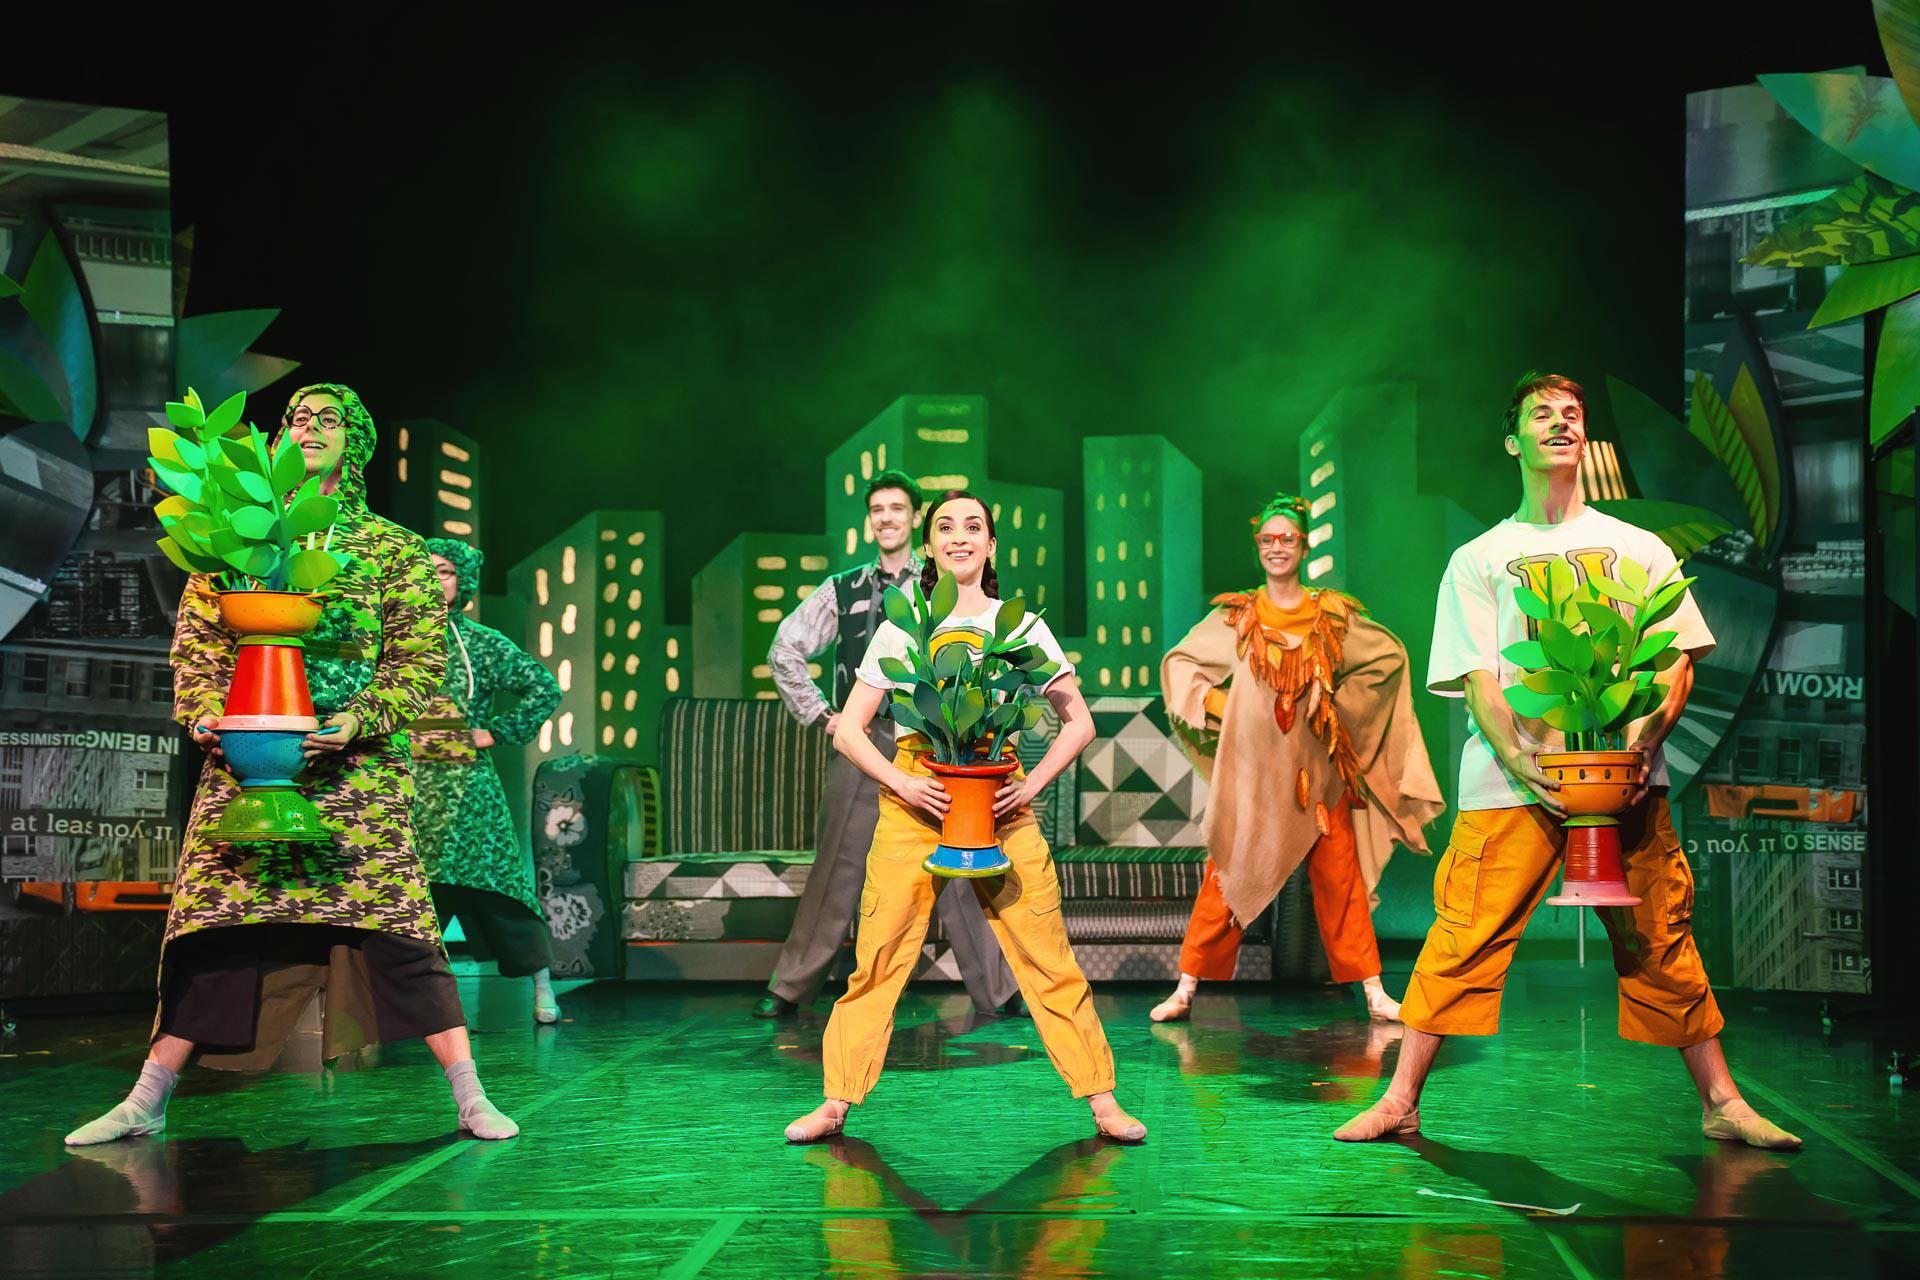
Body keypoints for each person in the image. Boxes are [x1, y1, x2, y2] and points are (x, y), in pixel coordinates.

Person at [1335, 371, 1800, 1150]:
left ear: (1584, 435)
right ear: (1512, 440)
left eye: (1572, 413)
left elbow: (1676, 659)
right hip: (1511, 787)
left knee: (1661, 933)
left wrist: (1642, 744)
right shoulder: (1481, 556)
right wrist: (1522, 760)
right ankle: (1401, 1100)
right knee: (1464, 933)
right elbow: (1479, 677)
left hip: (1626, 785)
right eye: (1541, 413)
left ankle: (1723, 1102)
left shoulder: (1637, 546)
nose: (1560, 423)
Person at [66, 384, 518, 1146]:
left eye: (327, 419)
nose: (309, 428)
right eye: (298, 418)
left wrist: (358, 720)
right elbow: (198, 647)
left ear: (355, 443)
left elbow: (417, 659)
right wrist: (205, 715)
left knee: (399, 928)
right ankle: (146, 1098)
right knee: (217, 925)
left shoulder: (395, 550)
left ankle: (471, 1096)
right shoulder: (234, 541)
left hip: (354, 777)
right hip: (248, 765)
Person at [783, 491, 1147, 1144]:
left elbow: (1079, 722)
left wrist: (1029, 786)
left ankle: (1102, 1099)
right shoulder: (903, 626)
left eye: (972, 526)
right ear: (928, 546)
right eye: (945, 527)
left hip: (996, 797)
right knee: (878, 957)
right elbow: (852, 731)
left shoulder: (1020, 626)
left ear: (991, 545)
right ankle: (835, 1102)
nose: (958, 537)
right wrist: (903, 782)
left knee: (1046, 953)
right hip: (917, 799)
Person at [1154, 493, 1443, 1023]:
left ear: (1304, 546)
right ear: (1257, 546)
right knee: (1225, 875)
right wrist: (1226, 707)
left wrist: (1335, 706)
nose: (1277, 547)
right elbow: (1180, 664)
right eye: (1268, 539)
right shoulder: (1239, 615)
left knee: (1341, 880)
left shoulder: (1329, 613)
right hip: (1257, 778)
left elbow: (1388, 658)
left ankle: (1374, 991)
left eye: (1287, 538)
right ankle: (1185, 988)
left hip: (1318, 778)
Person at [755, 471, 1019, 1020]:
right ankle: (791, 986)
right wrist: (825, 718)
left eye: (897, 509)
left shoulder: (941, 580)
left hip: (935, 739)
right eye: (878, 510)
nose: (887, 518)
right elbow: (784, 649)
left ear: (915, 519)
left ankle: (999, 991)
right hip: (866, 738)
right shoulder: (844, 587)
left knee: (961, 858)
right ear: (869, 520)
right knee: (837, 866)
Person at [414, 537, 565, 1024]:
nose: (434, 580)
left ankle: (543, 986)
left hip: (468, 789)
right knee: (412, 897)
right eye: (426, 570)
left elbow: (543, 687)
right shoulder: (394, 639)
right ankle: (395, 1007)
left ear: (462, 580)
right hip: (408, 784)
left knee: (499, 891)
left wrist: (495, 732)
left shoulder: (479, 642)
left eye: (444, 571)